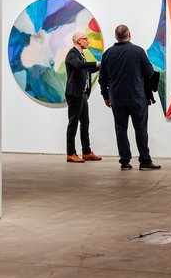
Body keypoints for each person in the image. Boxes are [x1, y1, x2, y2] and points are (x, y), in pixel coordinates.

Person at [98, 24, 160, 170]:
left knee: (121, 129)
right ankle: (145, 161)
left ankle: (125, 162)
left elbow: (102, 79)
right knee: (141, 129)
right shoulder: (138, 52)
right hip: (137, 98)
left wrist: (106, 96)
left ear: (115, 37)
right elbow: (149, 72)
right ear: (129, 34)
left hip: (117, 99)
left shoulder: (107, 54)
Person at [64, 31, 102, 163]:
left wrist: (101, 66)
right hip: (74, 94)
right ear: (78, 41)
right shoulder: (72, 54)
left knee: (85, 122)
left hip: (82, 94)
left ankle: (86, 151)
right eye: (86, 39)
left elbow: (87, 70)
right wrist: (96, 64)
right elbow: (79, 66)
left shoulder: (81, 55)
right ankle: (71, 153)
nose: (88, 41)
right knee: (73, 123)